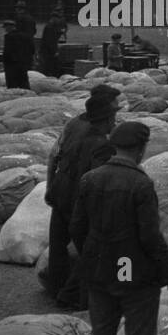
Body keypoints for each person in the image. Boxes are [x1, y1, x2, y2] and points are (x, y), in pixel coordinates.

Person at [72, 121, 168, 335]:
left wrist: (91, 256)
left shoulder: (90, 179)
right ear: (142, 148)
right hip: (136, 273)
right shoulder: (141, 184)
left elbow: (77, 226)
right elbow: (149, 235)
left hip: (100, 272)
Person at [43, 85, 121, 307]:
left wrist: (50, 185)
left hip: (60, 191)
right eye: (114, 111)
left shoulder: (75, 124)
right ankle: (73, 296)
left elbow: (54, 156)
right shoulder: (102, 145)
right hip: (76, 198)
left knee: (58, 245)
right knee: (93, 249)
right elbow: (96, 180)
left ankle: (56, 288)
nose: (116, 117)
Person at [1, 19, 35, 90]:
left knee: (12, 86)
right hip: (23, 64)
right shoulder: (25, 36)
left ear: (9, 27)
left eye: (5, 28)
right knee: (24, 83)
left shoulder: (9, 37)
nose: (5, 30)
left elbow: (7, 51)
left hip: (12, 65)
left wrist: (4, 62)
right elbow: (32, 48)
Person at [39, 11, 66, 77]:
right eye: (57, 18)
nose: (58, 20)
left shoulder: (51, 26)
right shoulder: (50, 27)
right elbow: (50, 41)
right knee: (48, 68)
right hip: (48, 52)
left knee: (49, 68)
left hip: (48, 51)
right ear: (54, 18)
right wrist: (55, 51)